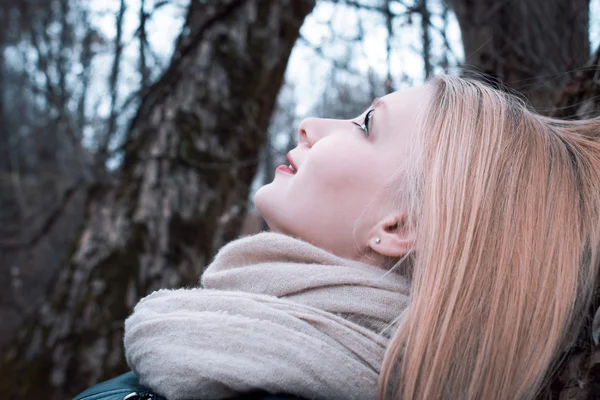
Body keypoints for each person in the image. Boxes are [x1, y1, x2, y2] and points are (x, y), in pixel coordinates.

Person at [78, 74, 600, 400]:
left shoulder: (276, 382)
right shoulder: (227, 342)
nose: (309, 124)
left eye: (366, 123)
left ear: (397, 227)